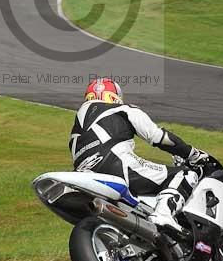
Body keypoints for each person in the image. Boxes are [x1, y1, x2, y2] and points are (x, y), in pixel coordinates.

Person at [70, 78, 209, 233]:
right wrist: (193, 154)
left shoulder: (77, 126)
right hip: (117, 165)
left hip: (85, 174)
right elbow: (159, 137)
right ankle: (163, 215)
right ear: (115, 96)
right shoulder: (123, 109)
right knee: (185, 173)